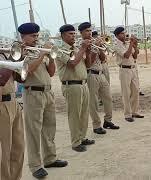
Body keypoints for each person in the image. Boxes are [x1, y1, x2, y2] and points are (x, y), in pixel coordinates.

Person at [18, 23, 68, 179]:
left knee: (49, 127)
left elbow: (51, 73)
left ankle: (50, 158)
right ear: (23, 37)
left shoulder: (39, 50)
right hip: (32, 94)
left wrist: (50, 57)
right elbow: (27, 71)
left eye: (37, 35)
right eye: (33, 36)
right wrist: (41, 55)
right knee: (33, 131)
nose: (36, 38)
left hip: (47, 92)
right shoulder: (20, 52)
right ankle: (35, 165)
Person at [55, 24, 95, 152]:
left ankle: (82, 137)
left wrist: (87, 52)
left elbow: (88, 65)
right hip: (71, 85)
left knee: (84, 113)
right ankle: (75, 142)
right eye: (70, 34)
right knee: (74, 115)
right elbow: (72, 63)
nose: (73, 36)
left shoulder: (77, 48)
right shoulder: (59, 49)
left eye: (74, 33)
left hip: (83, 84)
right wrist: (83, 48)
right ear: (62, 36)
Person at [79, 24, 120, 135]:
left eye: (90, 30)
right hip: (91, 74)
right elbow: (88, 63)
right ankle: (96, 125)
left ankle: (108, 121)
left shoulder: (93, 43)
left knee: (108, 98)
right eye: (87, 31)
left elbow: (102, 59)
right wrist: (94, 48)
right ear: (81, 33)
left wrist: (100, 47)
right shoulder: (81, 45)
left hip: (101, 73)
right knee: (93, 102)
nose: (90, 33)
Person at [113, 27, 144, 122]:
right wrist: (131, 44)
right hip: (124, 70)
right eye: (122, 33)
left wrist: (135, 45)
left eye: (124, 33)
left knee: (135, 91)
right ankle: (127, 114)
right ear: (117, 35)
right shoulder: (116, 45)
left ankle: (134, 112)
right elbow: (126, 55)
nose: (124, 35)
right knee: (126, 93)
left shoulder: (127, 43)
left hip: (133, 69)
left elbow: (135, 55)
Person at [0, 60, 24, 180]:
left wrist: (19, 59)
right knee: (4, 150)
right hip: (2, 104)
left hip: (14, 102)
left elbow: (22, 79)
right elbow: (2, 80)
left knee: (18, 147)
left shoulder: (4, 56)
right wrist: (10, 60)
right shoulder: (6, 57)